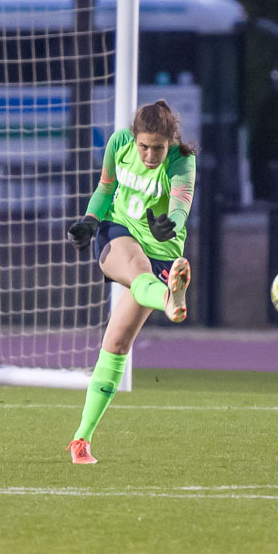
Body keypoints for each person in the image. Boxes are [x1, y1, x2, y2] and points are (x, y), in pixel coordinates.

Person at [63, 99, 196, 465]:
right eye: (144, 146)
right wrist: (90, 221)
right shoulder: (119, 144)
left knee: (117, 344)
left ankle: (81, 440)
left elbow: (181, 204)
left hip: (163, 250)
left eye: (158, 148)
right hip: (118, 231)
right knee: (138, 270)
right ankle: (169, 300)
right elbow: (106, 189)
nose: (150, 155)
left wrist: (171, 223)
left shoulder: (183, 160)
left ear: (170, 141)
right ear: (134, 138)